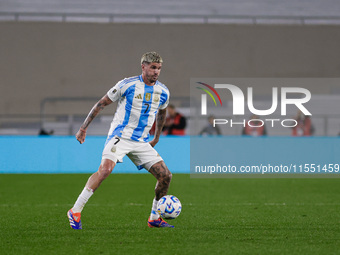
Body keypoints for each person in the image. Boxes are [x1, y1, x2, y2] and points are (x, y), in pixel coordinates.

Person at [67, 52, 174, 229]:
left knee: (165, 176)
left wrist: (156, 137)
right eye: (153, 67)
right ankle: (75, 210)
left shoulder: (163, 91)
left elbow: (162, 112)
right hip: (120, 137)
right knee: (105, 170)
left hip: (140, 141)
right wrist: (83, 128)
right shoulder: (127, 85)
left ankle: (154, 217)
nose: (156, 72)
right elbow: (101, 103)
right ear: (143, 66)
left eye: (159, 68)